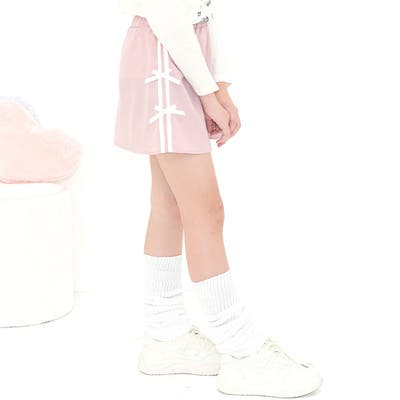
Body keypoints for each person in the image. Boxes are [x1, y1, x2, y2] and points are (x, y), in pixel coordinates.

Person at [114, 0, 322, 397]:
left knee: (171, 205)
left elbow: (203, 9)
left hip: (176, 52)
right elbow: (168, 14)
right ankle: (241, 349)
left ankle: (165, 334)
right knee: (204, 211)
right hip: (166, 59)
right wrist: (209, 92)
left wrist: (219, 86)